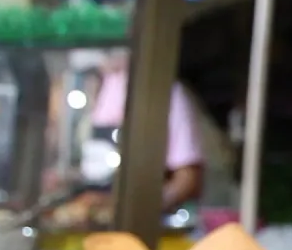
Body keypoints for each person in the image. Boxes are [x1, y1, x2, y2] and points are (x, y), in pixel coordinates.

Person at [55, 47, 204, 225]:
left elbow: (188, 178)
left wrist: (136, 207)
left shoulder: (164, 94)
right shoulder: (72, 91)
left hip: (141, 229)